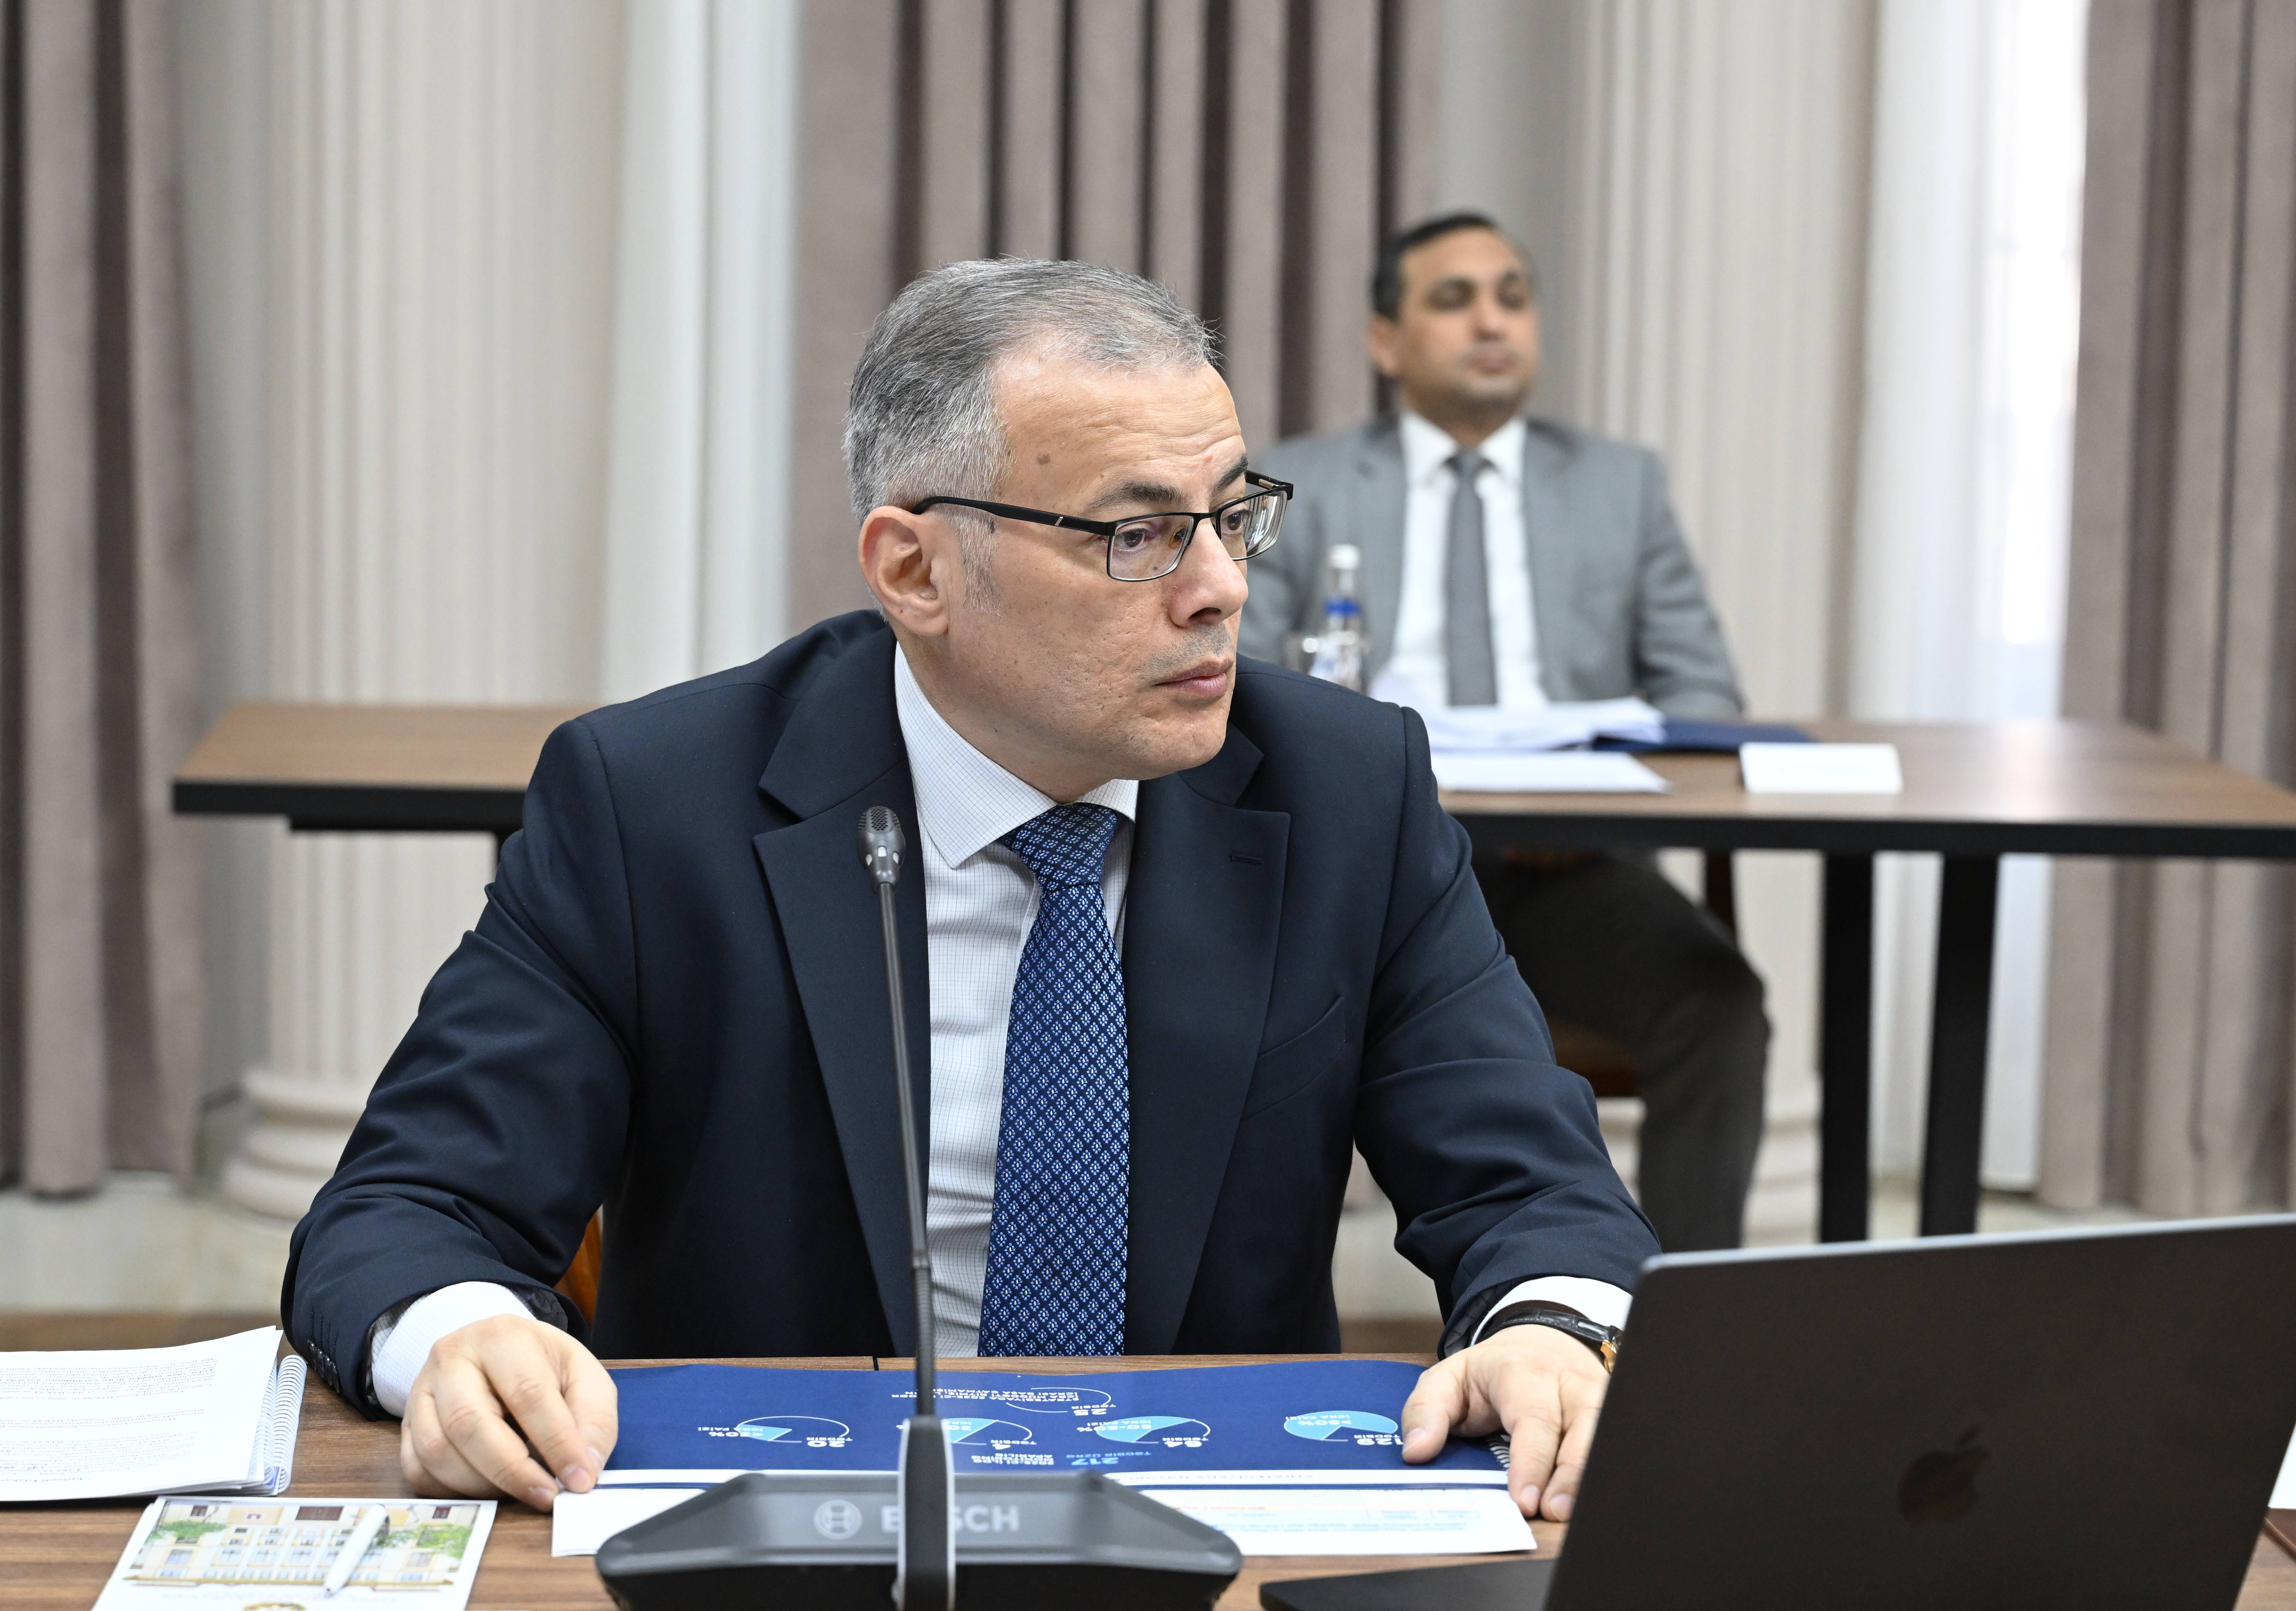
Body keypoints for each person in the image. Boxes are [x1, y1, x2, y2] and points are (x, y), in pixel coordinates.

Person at [282, 259, 1657, 1525]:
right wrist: (462, 1335)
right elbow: (406, 1209)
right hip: (781, 1534)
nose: (1219, 589)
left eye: (1234, 516)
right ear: (915, 569)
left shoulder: (1347, 791)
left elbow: (1531, 1185)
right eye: (1138, 535)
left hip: (1210, 1534)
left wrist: (1548, 1326)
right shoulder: (656, 806)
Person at [1241, 213, 1770, 1254]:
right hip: (1357, 871)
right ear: (1386, 340)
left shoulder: (1620, 485)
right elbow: (1244, 689)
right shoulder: (1302, 482)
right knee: (1232, 1005)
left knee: (1719, 1004)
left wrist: (1588, 806)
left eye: (1512, 298)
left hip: (1569, 874)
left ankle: (1682, 1317)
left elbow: (1705, 694)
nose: (1492, 322)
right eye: (1455, 299)